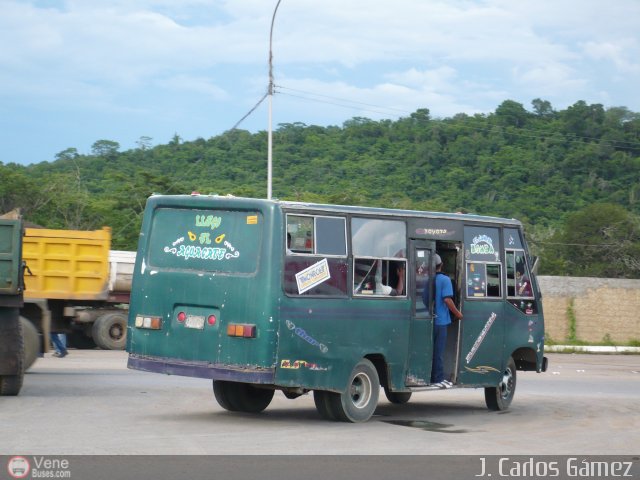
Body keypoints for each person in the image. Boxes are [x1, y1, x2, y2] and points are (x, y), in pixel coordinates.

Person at [431, 254, 462, 389]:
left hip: (428, 321)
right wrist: (458, 313)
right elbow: (447, 300)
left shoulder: (427, 279)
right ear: (441, 265)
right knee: (439, 351)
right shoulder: (445, 280)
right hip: (441, 321)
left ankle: (434, 377)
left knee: (431, 350)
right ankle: (438, 379)